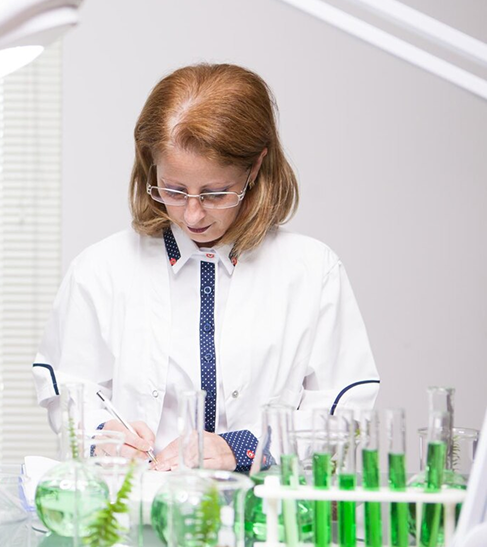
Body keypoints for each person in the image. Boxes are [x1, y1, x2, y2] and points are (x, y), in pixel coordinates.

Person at [31, 63, 379, 473]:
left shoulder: (312, 271)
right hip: (137, 500)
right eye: (174, 190)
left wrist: (246, 449)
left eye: (215, 194)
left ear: (255, 168)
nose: (192, 214)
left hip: (263, 505)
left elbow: (345, 407)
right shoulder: (101, 269)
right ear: (149, 165)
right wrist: (105, 435)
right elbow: (69, 390)